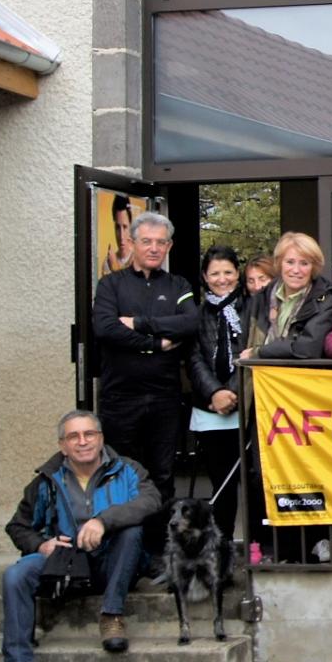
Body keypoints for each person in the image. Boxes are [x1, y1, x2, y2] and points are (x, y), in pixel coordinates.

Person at [0, 411, 159, 662]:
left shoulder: (128, 470)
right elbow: (17, 526)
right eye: (73, 437)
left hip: (112, 561)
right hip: (64, 563)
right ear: (62, 445)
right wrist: (41, 545)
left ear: (101, 438)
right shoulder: (46, 481)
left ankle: (111, 616)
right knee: (14, 576)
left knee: (131, 531)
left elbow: (151, 501)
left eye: (89, 434)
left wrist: (103, 521)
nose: (82, 442)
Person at [90, 209, 196, 504]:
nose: (153, 248)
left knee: (163, 474)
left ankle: (160, 545)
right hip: (120, 398)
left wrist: (138, 323)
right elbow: (106, 328)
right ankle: (128, 547)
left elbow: (189, 322)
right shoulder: (110, 284)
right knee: (122, 474)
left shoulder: (178, 285)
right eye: (146, 241)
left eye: (160, 242)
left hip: (164, 398)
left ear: (169, 247)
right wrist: (155, 344)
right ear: (132, 242)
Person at [184, 246, 248, 541]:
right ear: (204, 277)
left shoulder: (254, 307)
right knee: (221, 484)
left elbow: (252, 352)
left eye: (228, 272)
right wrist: (215, 392)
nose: (222, 279)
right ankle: (221, 549)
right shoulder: (196, 314)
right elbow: (193, 358)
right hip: (209, 409)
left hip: (246, 406)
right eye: (215, 274)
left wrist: (232, 392)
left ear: (238, 274)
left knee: (254, 482)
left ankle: (257, 549)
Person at [245, 232, 332, 361]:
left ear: (313, 267)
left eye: (304, 263)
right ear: (279, 263)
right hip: (260, 379)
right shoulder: (261, 298)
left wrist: (260, 352)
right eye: (290, 262)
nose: (296, 270)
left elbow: (307, 348)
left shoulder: (326, 303)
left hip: (297, 379)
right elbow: (243, 346)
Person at [103, 194, 134, 274]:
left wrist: (115, 268)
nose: (121, 236)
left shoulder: (141, 259)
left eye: (125, 227)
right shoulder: (107, 263)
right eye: (117, 227)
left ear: (131, 225)